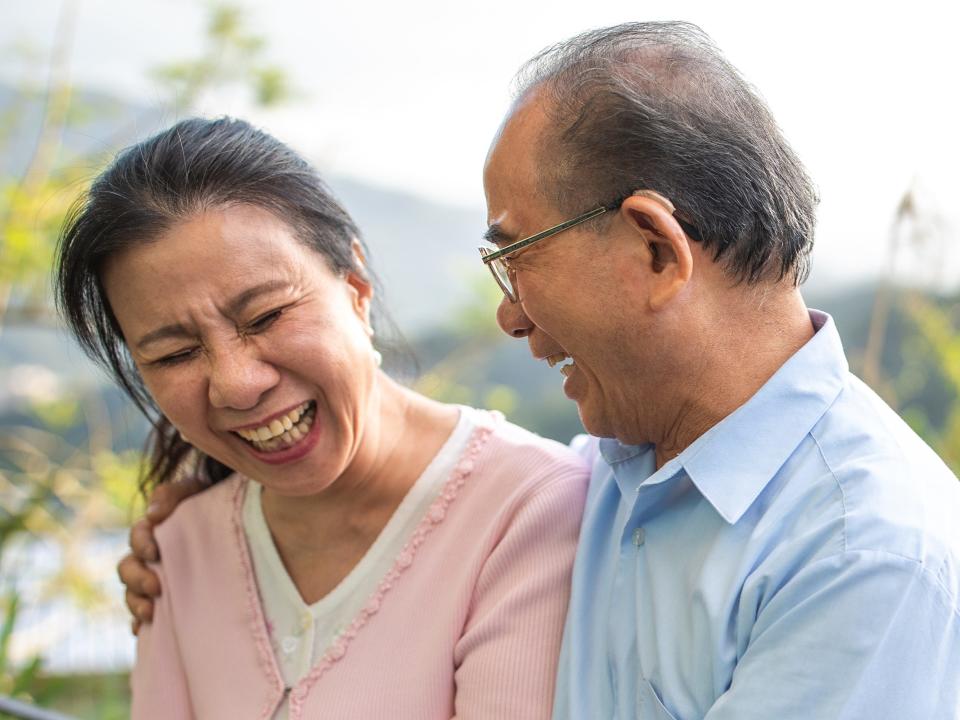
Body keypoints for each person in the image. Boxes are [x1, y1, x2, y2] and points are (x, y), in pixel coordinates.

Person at [121, 21, 960, 720]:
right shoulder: (611, 475)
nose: (510, 314)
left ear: (656, 250)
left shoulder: (862, 555)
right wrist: (201, 512)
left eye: (515, 256)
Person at [56, 117, 587, 719]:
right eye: (175, 354)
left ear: (355, 286)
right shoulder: (180, 550)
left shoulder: (529, 508)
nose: (237, 385)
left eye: (265, 316)